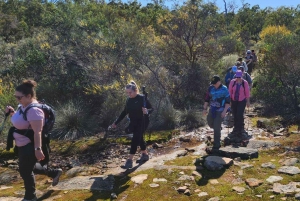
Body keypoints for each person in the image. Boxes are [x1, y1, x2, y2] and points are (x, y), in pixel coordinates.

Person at [5, 80, 62, 201]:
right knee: (29, 167)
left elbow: (38, 132)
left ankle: (30, 197)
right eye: (16, 97)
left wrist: (38, 149)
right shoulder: (23, 106)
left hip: (30, 145)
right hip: (22, 144)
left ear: (29, 96)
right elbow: (23, 121)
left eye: (19, 97)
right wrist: (12, 113)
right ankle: (54, 172)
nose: (17, 99)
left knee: (25, 171)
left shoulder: (34, 111)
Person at [111, 81, 153, 169]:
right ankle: (145, 154)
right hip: (133, 122)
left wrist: (147, 111)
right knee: (139, 137)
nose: (128, 94)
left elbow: (152, 108)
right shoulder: (128, 100)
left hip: (143, 121)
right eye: (127, 93)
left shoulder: (142, 98)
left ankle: (129, 161)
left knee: (135, 138)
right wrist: (116, 122)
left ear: (135, 91)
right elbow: (124, 112)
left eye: (130, 92)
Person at [203, 76, 230, 153]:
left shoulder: (225, 89)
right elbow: (207, 99)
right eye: (213, 83)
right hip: (212, 109)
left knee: (216, 128)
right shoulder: (211, 88)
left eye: (215, 83)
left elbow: (228, 102)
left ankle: (216, 146)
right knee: (209, 122)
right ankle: (217, 127)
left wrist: (224, 111)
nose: (214, 85)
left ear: (219, 82)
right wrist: (205, 109)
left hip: (220, 110)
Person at [229, 70, 250, 135]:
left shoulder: (245, 83)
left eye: (239, 77)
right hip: (234, 100)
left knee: (239, 114)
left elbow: (247, 92)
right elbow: (229, 91)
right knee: (234, 114)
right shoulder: (232, 82)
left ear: (241, 76)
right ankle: (235, 127)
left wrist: (248, 101)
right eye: (237, 76)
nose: (238, 78)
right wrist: (229, 101)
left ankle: (240, 127)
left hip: (242, 101)